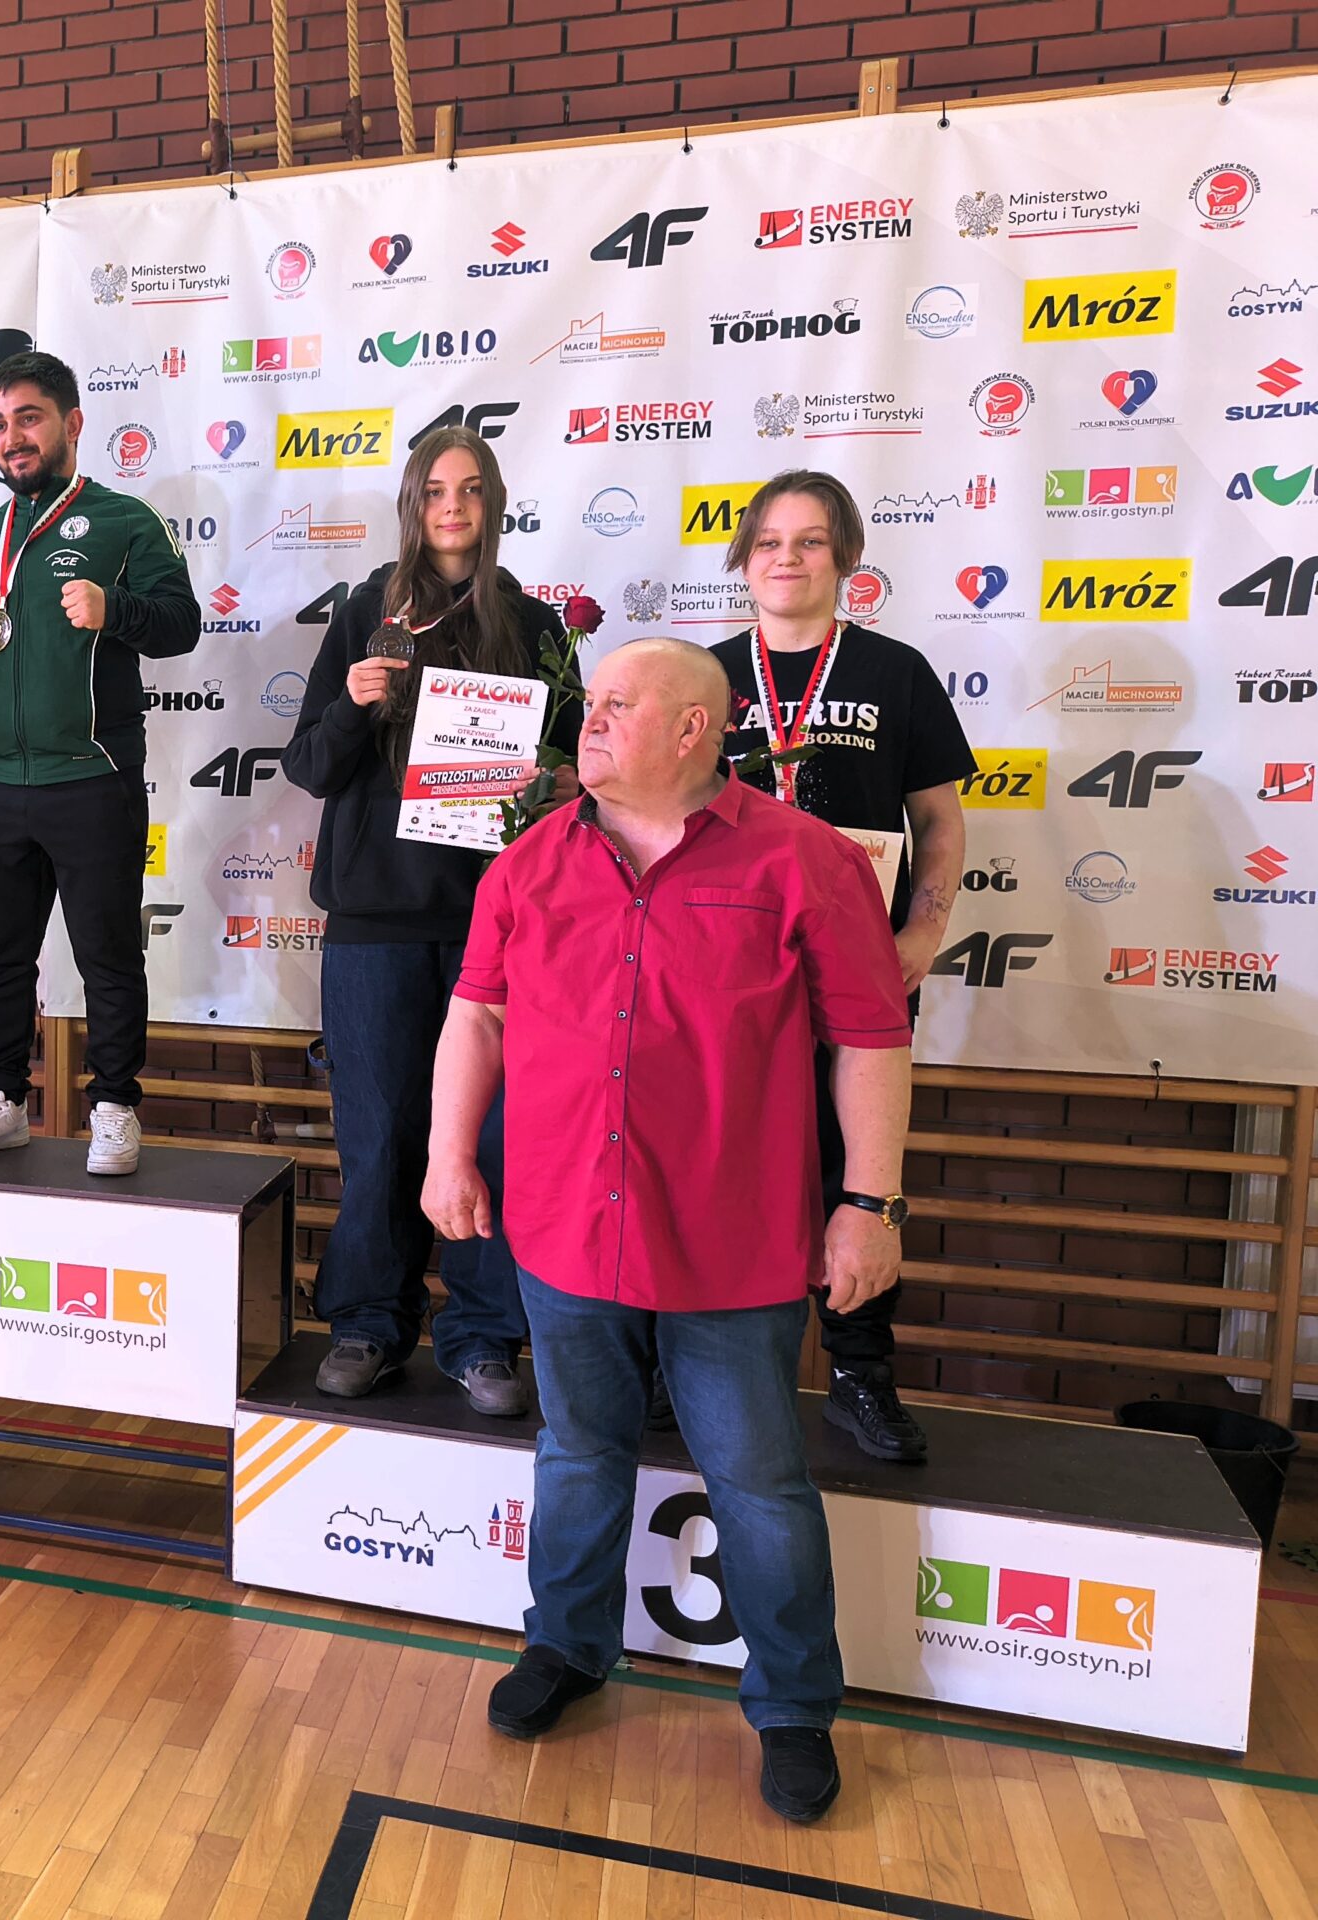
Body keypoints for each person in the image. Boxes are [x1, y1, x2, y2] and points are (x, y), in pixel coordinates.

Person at [423, 637, 912, 1826]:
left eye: (615, 706)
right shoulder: (529, 860)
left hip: (731, 1240)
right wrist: (446, 1154)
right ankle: (566, 1645)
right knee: (576, 1452)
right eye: (590, 705)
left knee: (759, 1482)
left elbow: (870, 1039)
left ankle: (793, 1705)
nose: (588, 724)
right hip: (561, 1225)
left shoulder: (805, 861)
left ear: (694, 728)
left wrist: (868, 1204)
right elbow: (476, 1016)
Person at [283, 425, 571, 1408]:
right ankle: (369, 1323)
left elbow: (580, 773)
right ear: (412, 506)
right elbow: (310, 766)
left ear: (493, 503)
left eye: (470, 489)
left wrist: (552, 778)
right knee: (381, 1137)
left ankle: (484, 1337)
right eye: (435, 491)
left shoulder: (534, 624)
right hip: (375, 921)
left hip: (498, 923)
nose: (452, 507)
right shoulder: (366, 611)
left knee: (491, 1141)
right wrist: (354, 701)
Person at [710, 470, 971, 1463]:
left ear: (846, 558)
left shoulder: (894, 671)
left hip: (858, 966)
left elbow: (938, 821)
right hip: (725, 972)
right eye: (769, 541)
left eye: (810, 541)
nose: (787, 558)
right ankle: (695, 1370)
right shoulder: (703, 675)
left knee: (856, 1172)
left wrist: (922, 937)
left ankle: (860, 1373)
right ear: (744, 558)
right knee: (717, 1161)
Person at [0, 348, 202, 1176]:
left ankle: (114, 1106)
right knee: (2, 958)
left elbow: (182, 624)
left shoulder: (125, 521)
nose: (13, 438)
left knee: (106, 954)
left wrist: (117, 609)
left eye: (29, 418)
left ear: (72, 423)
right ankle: (4, 1098)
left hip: (91, 778)